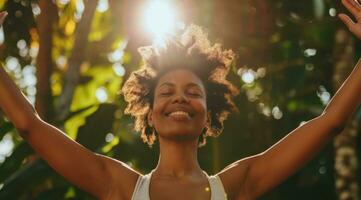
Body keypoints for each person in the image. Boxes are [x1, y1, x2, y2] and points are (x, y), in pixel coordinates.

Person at [0, 0, 360, 199]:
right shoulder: (120, 186)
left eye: (193, 93)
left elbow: (330, 122)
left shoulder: (236, 185)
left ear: (207, 116)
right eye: (167, 93)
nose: (180, 100)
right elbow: (30, 126)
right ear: (150, 115)